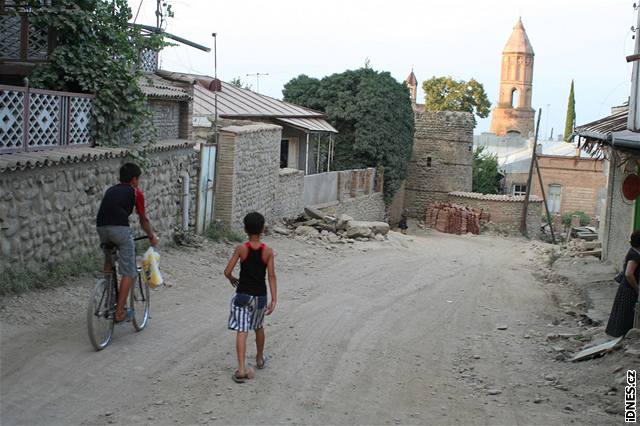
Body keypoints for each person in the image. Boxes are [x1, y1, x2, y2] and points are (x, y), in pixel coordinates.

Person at [96, 163, 157, 323]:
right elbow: (143, 219)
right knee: (129, 272)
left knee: (109, 259)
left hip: (101, 228)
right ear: (134, 179)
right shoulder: (136, 193)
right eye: (139, 179)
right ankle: (120, 312)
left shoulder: (110, 190)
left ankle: (108, 298)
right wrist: (151, 235)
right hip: (120, 230)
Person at [224, 212, 277, 383]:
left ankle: (241, 369)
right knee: (259, 327)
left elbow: (227, 271)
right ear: (262, 229)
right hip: (260, 297)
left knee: (242, 330)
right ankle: (260, 359)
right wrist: (274, 299)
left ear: (245, 229)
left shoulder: (241, 249)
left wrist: (232, 279)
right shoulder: (268, 251)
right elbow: (271, 276)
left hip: (243, 295)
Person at [605, 230, 640, 337]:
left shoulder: (633, 251)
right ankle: (622, 336)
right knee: (625, 314)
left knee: (622, 313)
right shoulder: (635, 255)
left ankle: (618, 335)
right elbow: (629, 274)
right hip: (628, 289)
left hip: (626, 288)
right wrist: (637, 288)